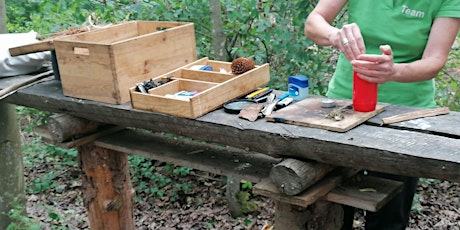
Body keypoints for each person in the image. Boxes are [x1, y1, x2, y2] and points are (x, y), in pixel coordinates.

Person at [304, 1, 460, 229]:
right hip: (345, 107)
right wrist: (335, 36)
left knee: (389, 215)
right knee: (330, 209)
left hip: (406, 117)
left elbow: (435, 61)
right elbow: (313, 23)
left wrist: (394, 71)